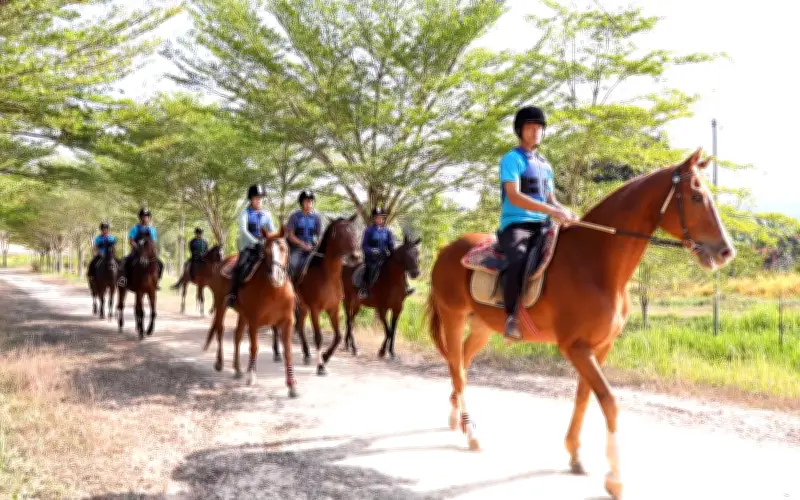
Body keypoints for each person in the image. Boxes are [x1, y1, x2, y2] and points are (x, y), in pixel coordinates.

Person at [499, 105, 578, 341]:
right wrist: (550, 209)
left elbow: (550, 197)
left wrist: (565, 211)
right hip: (517, 226)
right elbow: (513, 195)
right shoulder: (512, 159)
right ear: (520, 131)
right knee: (518, 259)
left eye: (539, 128)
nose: (535, 132)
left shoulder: (545, 164)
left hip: (544, 225)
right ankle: (510, 316)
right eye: (530, 128)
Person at [226, 184, 277, 307]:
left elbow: (273, 231)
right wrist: (256, 242)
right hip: (249, 247)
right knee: (240, 266)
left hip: (264, 247)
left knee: (279, 264)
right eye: (256, 197)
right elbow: (244, 230)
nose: (258, 200)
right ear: (251, 198)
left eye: (260, 197)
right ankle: (232, 295)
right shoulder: (245, 213)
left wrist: (275, 240)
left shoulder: (267, 214)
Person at [359, 206, 414, 299]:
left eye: (381, 217)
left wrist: (393, 252)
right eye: (377, 217)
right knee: (371, 268)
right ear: (374, 219)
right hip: (372, 258)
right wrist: (372, 251)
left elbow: (390, 244)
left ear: (383, 219)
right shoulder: (369, 231)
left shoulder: (387, 231)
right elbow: (364, 245)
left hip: (384, 256)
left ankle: (406, 287)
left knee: (399, 267)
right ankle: (364, 289)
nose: (379, 219)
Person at [118, 208, 164, 289]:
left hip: (148, 252)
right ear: (140, 217)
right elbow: (131, 241)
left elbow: (153, 242)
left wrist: (150, 249)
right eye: (143, 216)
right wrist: (137, 247)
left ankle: (156, 281)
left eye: (146, 216)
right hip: (137, 251)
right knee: (125, 261)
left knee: (160, 263)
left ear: (149, 217)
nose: (145, 218)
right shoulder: (135, 228)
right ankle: (124, 280)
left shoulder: (152, 229)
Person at [286, 189, 322, 280]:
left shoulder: (316, 217)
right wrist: (302, 244)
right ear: (302, 203)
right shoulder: (294, 216)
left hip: (312, 247)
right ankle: (292, 285)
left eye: (311, 201)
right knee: (293, 264)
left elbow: (319, 235)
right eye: (306, 201)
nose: (309, 204)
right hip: (297, 247)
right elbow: (290, 235)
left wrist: (317, 244)